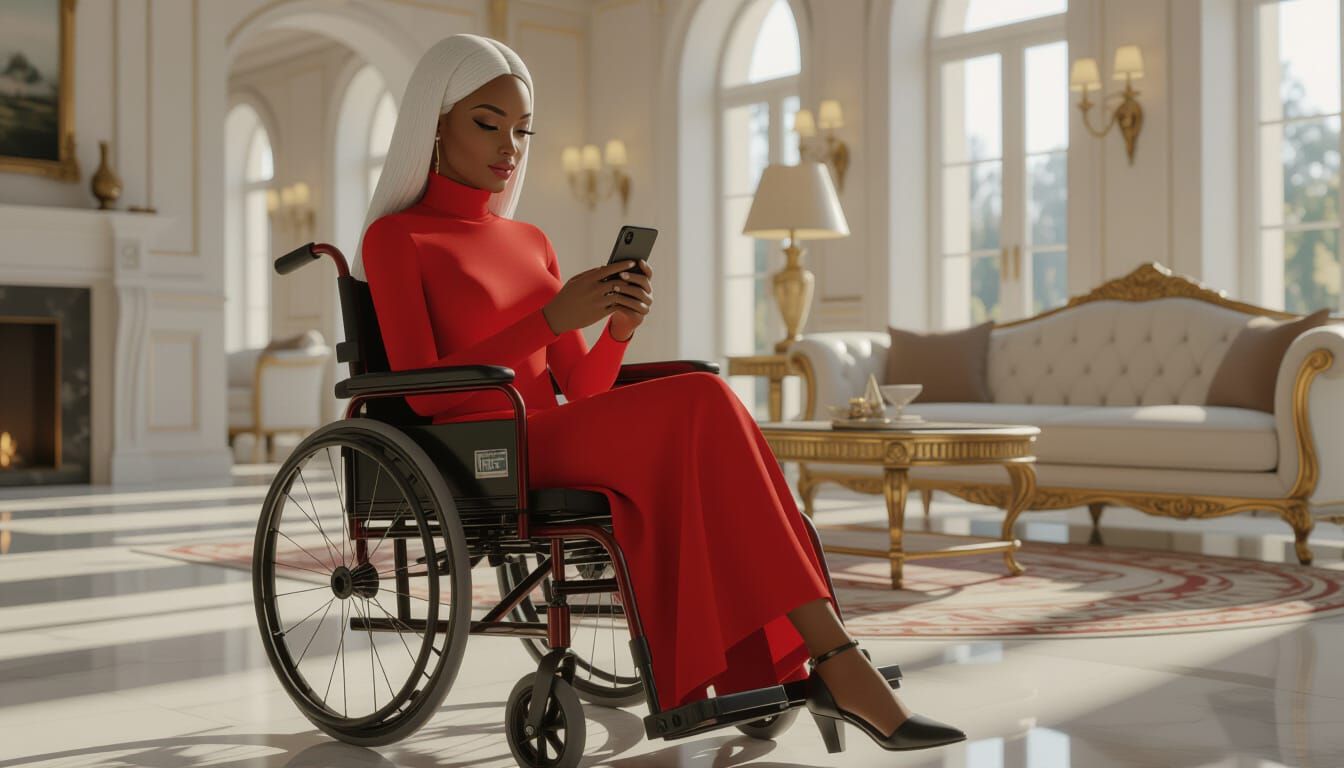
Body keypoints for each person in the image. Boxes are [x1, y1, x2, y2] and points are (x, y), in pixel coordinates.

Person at [356, 33, 965, 753]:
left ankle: (824, 658)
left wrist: (617, 330)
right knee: (702, 397)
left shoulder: (531, 241)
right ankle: (837, 662)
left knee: (704, 394)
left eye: (522, 130)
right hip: (480, 446)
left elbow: (583, 388)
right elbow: (424, 395)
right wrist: (550, 319)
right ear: (435, 123)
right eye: (488, 124)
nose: (509, 147)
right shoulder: (395, 238)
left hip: (552, 431)